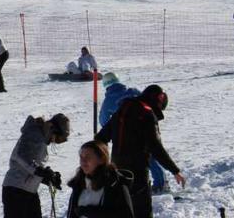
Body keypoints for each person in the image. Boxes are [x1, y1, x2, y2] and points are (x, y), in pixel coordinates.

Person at [95, 85, 185, 218]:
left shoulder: (122, 109)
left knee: (122, 209)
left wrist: (99, 161)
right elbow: (155, 147)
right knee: (141, 210)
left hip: (117, 170)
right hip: (137, 172)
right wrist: (175, 170)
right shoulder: (146, 113)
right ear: (157, 100)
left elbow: (100, 138)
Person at [98, 73, 167, 194]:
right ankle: (161, 184)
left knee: (124, 162)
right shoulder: (133, 90)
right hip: (146, 127)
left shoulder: (108, 100)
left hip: (125, 136)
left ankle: (126, 188)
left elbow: (103, 121)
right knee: (150, 156)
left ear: (105, 85)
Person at [1, 114, 69, 218]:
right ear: (51, 127)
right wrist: (40, 171)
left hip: (28, 191)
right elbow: (22, 156)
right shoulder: (33, 133)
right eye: (56, 138)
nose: (53, 142)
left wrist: (48, 178)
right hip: (15, 190)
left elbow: (30, 168)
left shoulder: (41, 139)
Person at [65, 141, 135, 218]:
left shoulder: (115, 184)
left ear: (102, 159)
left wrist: (90, 212)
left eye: (88, 157)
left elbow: (125, 215)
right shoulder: (79, 183)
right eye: (81, 157)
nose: (83, 161)